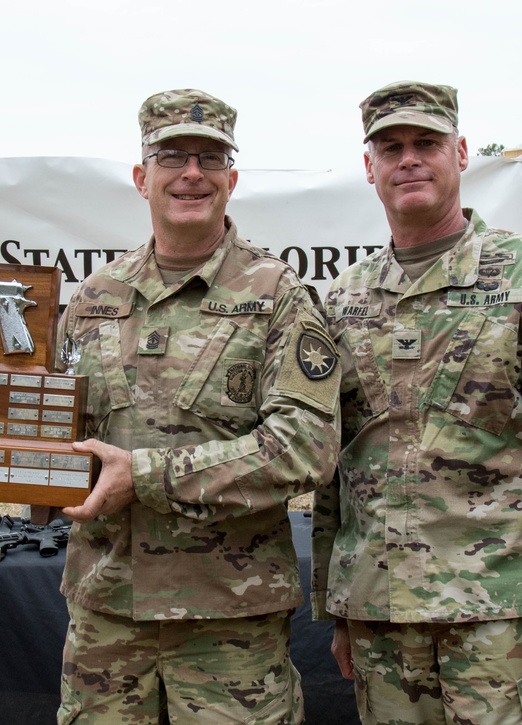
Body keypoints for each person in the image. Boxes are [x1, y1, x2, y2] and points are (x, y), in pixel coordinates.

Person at [311, 81, 522, 725]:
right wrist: (336, 604)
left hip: (499, 621)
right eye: (391, 146)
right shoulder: (345, 299)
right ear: (369, 167)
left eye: (426, 143)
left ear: (460, 152)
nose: (409, 159)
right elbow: (334, 470)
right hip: (381, 614)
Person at [54, 88, 341, 724]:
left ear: (231, 180)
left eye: (210, 159)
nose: (192, 173)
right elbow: (52, 427)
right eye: (172, 156)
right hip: (107, 609)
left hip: (226, 622)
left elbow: (306, 447)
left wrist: (147, 476)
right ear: (141, 177)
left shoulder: (277, 295)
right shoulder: (95, 297)